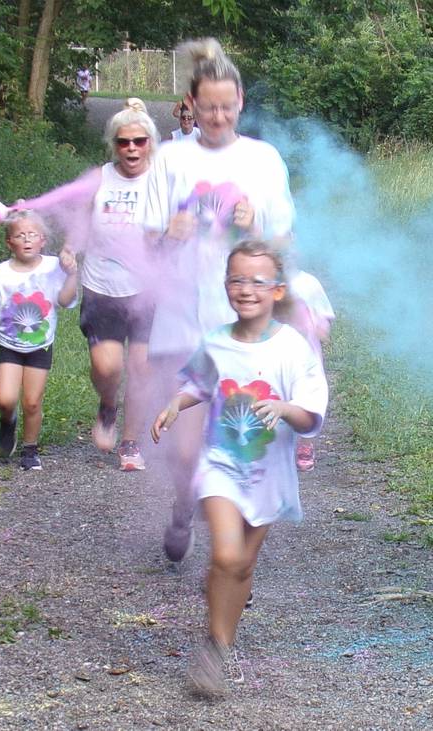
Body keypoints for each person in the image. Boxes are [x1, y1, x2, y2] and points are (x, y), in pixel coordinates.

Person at [151, 240, 328, 696]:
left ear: (276, 290)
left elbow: (311, 416)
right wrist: (176, 402)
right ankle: (213, 643)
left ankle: (219, 648)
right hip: (221, 465)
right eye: (236, 279)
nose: (245, 289)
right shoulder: (215, 341)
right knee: (227, 556)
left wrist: (285, 407)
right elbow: (199, 382)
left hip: (268, 474)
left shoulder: (292, 347)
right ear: (225, 285)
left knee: (243, 566)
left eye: (257, 281)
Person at [144, 38, 295, 560]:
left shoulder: (263, 160)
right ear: (191, 102)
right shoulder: (169, 159)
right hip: (183, 322)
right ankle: (184, 506)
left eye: (227, 106)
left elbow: (283, 245)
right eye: (208, 107)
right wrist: (170, 234)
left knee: (236, 448)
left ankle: (231, 567)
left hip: (244, 331)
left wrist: (255, 228)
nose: (217, 116)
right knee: (187, 453)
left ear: (241, 101)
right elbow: (145, 244)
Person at [21, 98, 160, 470]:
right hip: (102, 287)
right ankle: (107, 402)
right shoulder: (100, 177)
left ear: (150, 143)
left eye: (139, 141)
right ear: (113, 144)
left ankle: (130, 443)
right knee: (106, 366)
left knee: (141, 367)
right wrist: (69, 248)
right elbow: (78, 217)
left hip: (148, 290)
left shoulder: (163, 180)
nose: (131, 148)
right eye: (123, 141)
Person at [0, 210, 78, 470]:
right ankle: (8, 421)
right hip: (9, 346)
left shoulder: (54, 267)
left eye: (32, 234)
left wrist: (73, 275)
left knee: (32, 401)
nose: (27, 239)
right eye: (20, 235)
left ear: (43, 240)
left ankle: (30, 450)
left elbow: (65, 301)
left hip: (40, 346)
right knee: (5, 399)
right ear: (10, 243)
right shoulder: (1, 273)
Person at [282, 270, 335, 471]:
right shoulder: (262, 279)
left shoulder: (307, 282)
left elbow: (324, 314)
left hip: (306, 354)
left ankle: (305, 443)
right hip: (273, 350)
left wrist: (321, 326)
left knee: (309, 395)